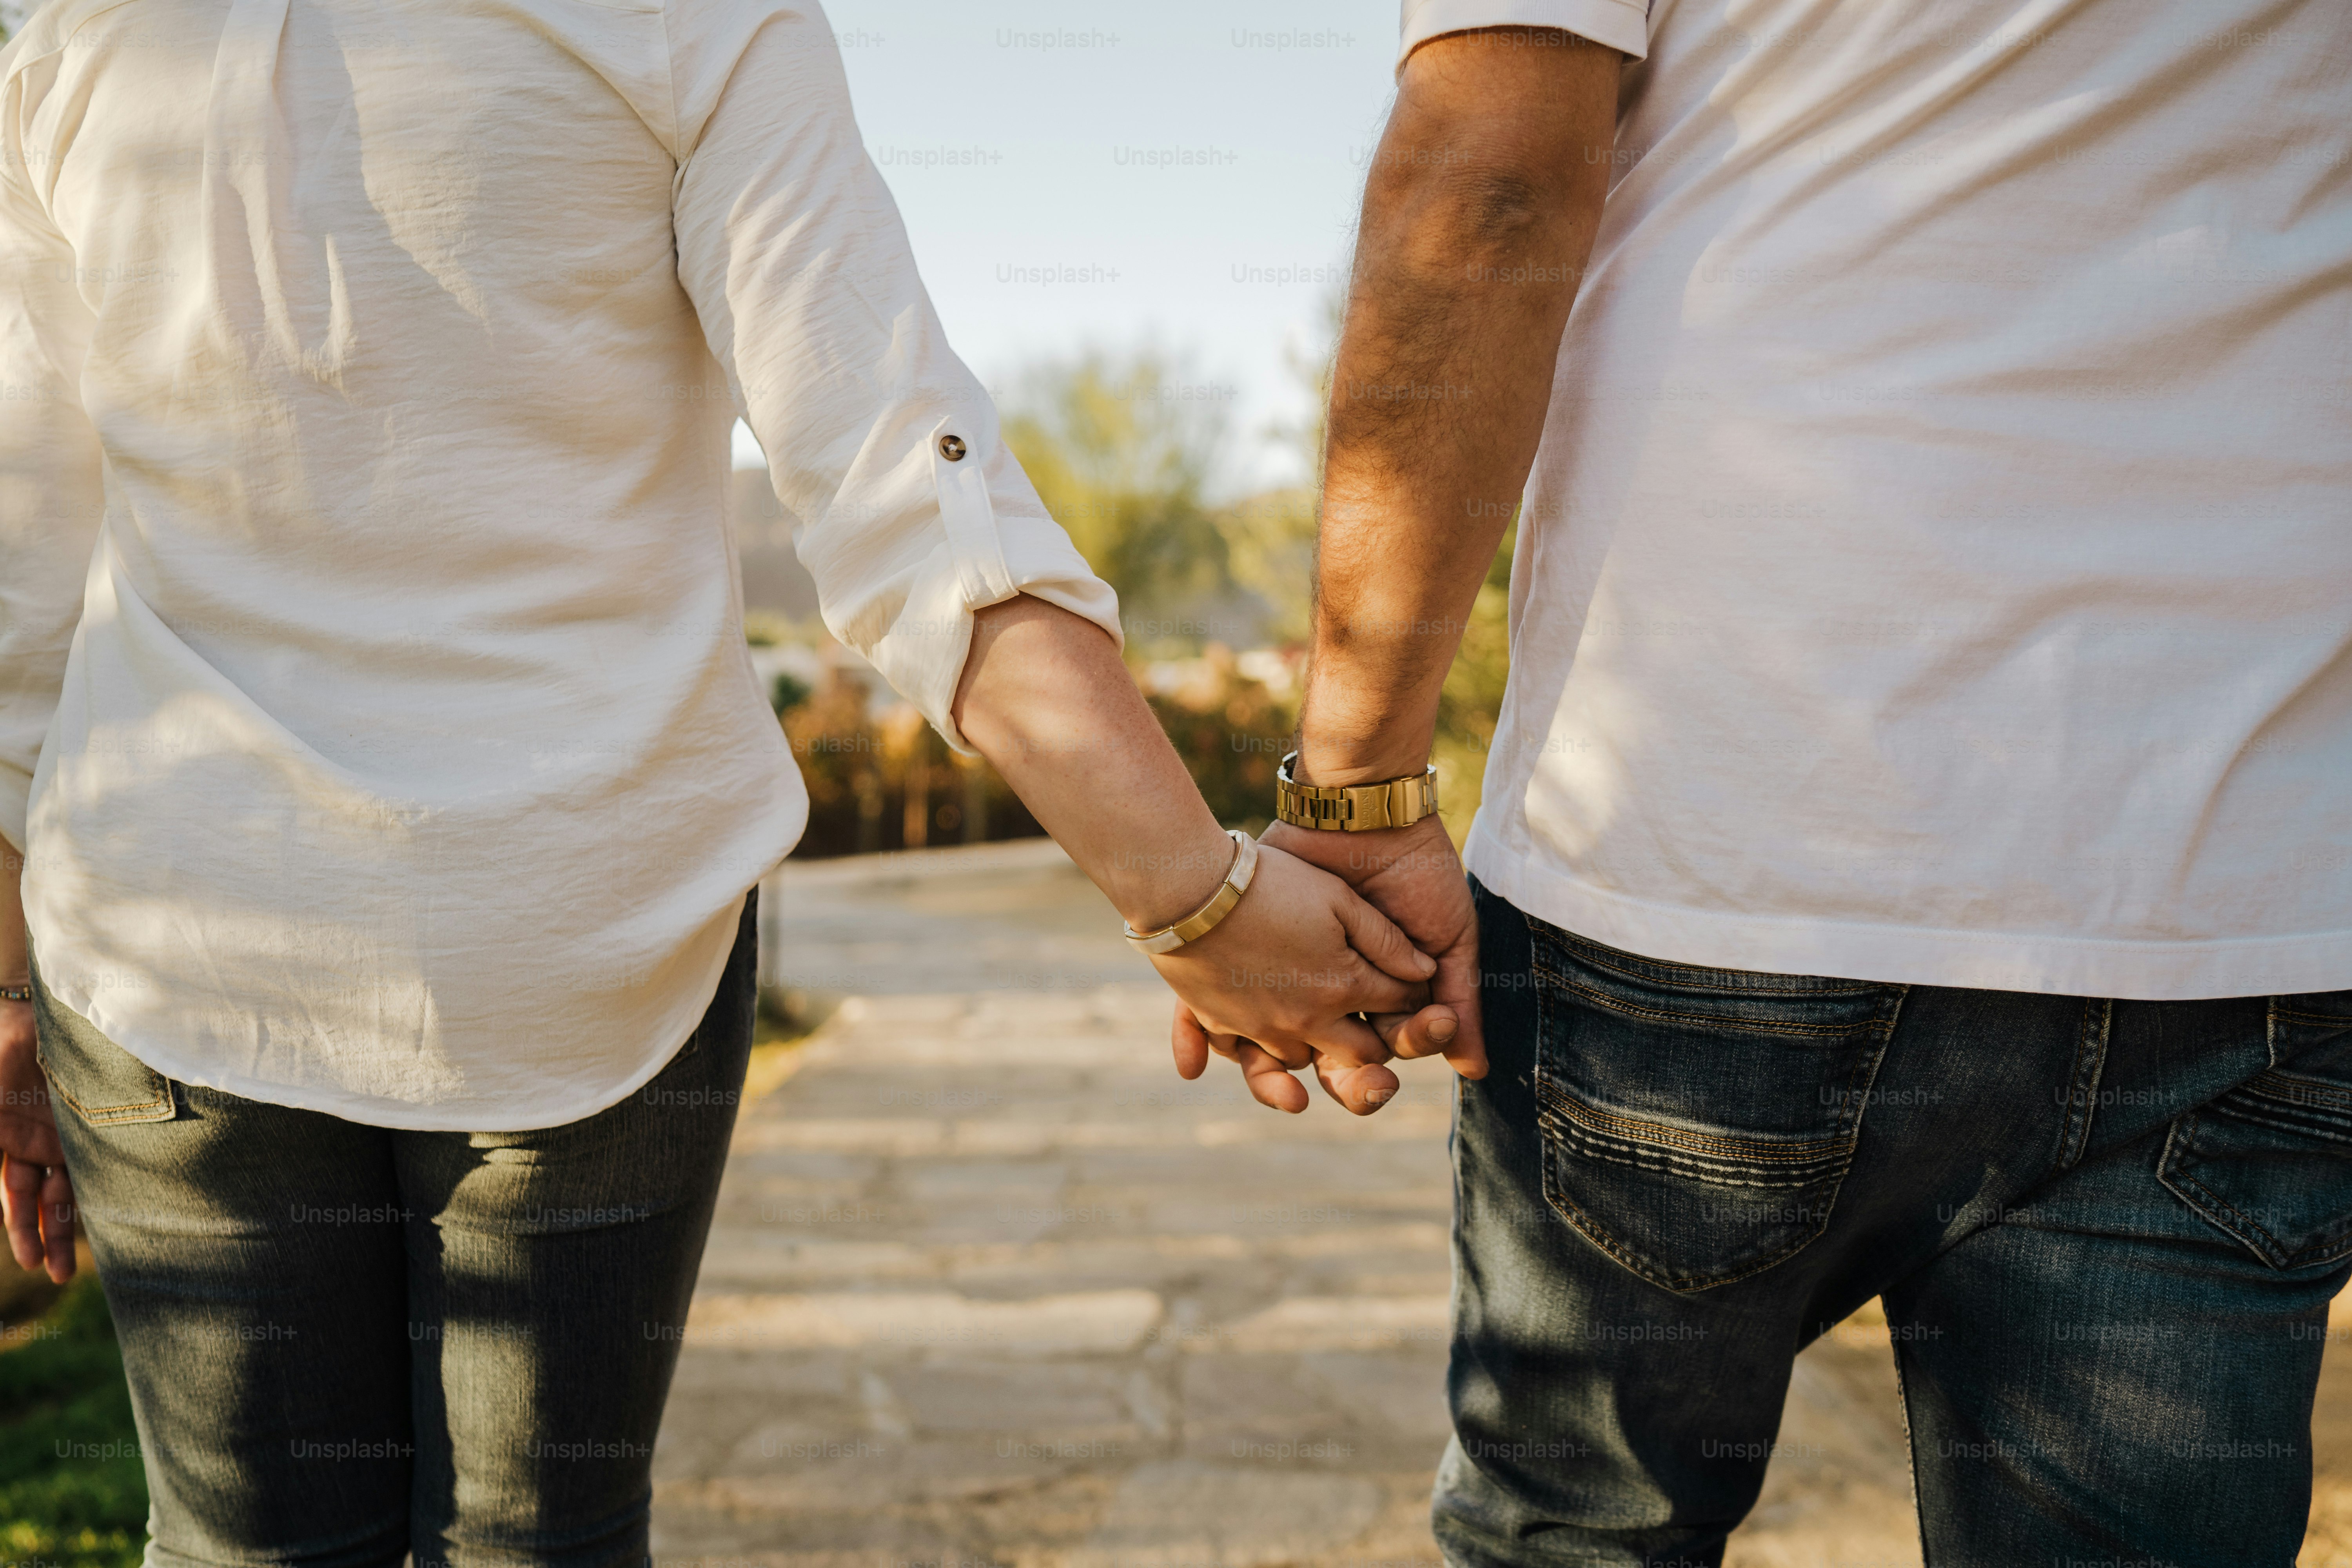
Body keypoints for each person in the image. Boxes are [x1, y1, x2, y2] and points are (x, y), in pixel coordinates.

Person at [0, 0, 1459, 1556]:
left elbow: (22, 564)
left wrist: (12, 986)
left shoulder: (72, 28)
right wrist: (1196, 894)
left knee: (247, 1545)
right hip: (587, 937)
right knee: (537, 1538)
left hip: (173, 930)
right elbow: (905, 488)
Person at [1198, 5, 2352, 1564]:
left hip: (1716, 849)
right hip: (2242, 887)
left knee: (1583, 1535)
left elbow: (1489, 184)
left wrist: (1351, 792)